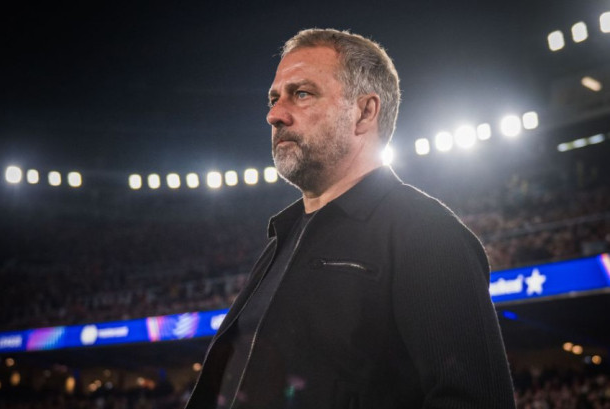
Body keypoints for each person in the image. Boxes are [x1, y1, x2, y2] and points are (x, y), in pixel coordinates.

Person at [185, 28, 515, 409]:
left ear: (364, 112)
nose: (274, 115)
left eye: (301, 94)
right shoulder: (281, 241)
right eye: (274, 99)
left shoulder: (426, 233)